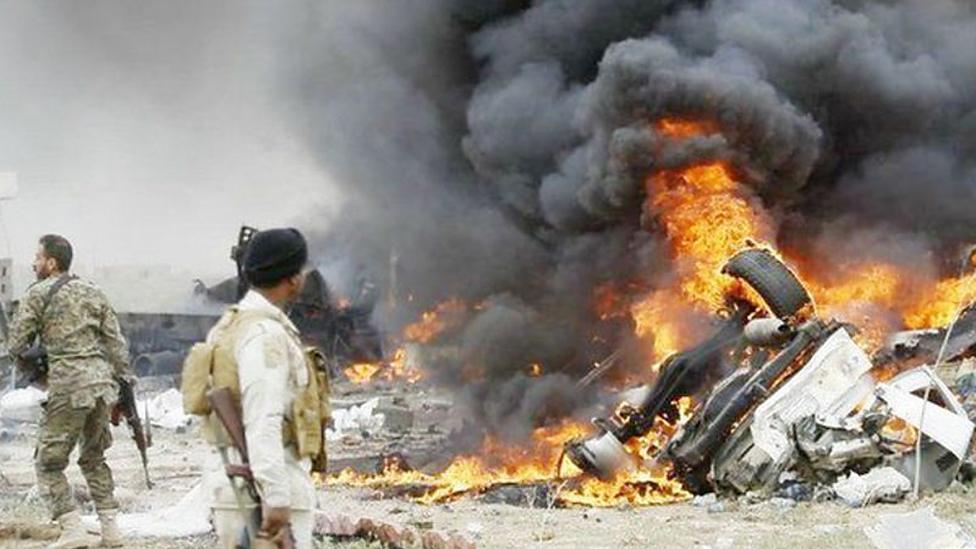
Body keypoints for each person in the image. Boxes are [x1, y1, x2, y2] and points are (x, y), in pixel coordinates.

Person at [7, 234, 131, 549]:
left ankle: (71, 529)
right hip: (101, 387)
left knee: (48, 463)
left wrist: (35, 366)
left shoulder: (37, 294)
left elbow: (16, 344)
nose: (33, 263)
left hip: (67, 386)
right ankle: (111, 530)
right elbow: (116, 347)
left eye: (37, 257)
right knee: (93, 458)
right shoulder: (94, 292)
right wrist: (122, 386)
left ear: (51, 262)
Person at [202, 227, 322, 549]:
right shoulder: (265, 334)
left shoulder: (231, 325)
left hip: (241, 480)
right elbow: (263, 418)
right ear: (293, 278)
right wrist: (277, 497)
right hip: (263, 485)